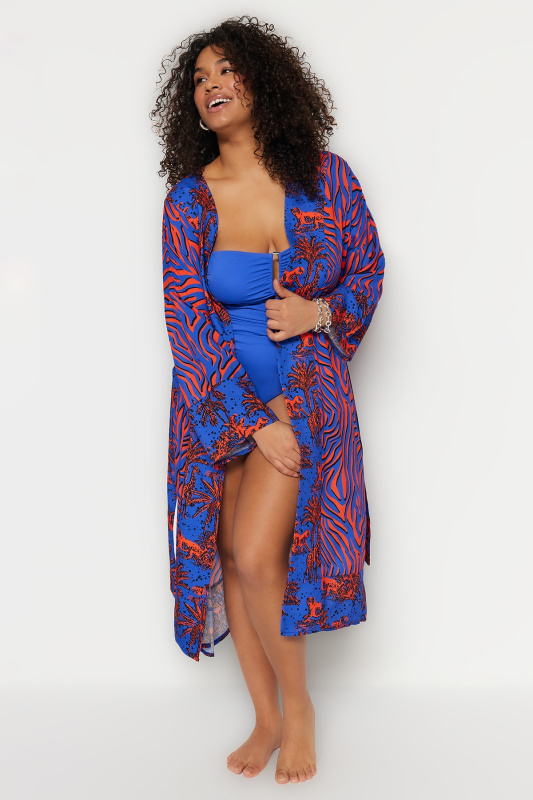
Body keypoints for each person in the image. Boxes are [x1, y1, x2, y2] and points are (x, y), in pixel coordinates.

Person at [151, 15, 385, 785]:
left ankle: (300, 711)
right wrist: (251, 422)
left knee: (257, 555)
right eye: (198, 79)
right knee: (227, 556)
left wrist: (318, 314)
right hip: (218, 410)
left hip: (303, 403)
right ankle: (265, 718)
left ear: (263, 82)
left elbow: (367, 271)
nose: (211, 85)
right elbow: (187, 325)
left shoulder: (326, 177)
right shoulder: (189, 201)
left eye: (226, 70)